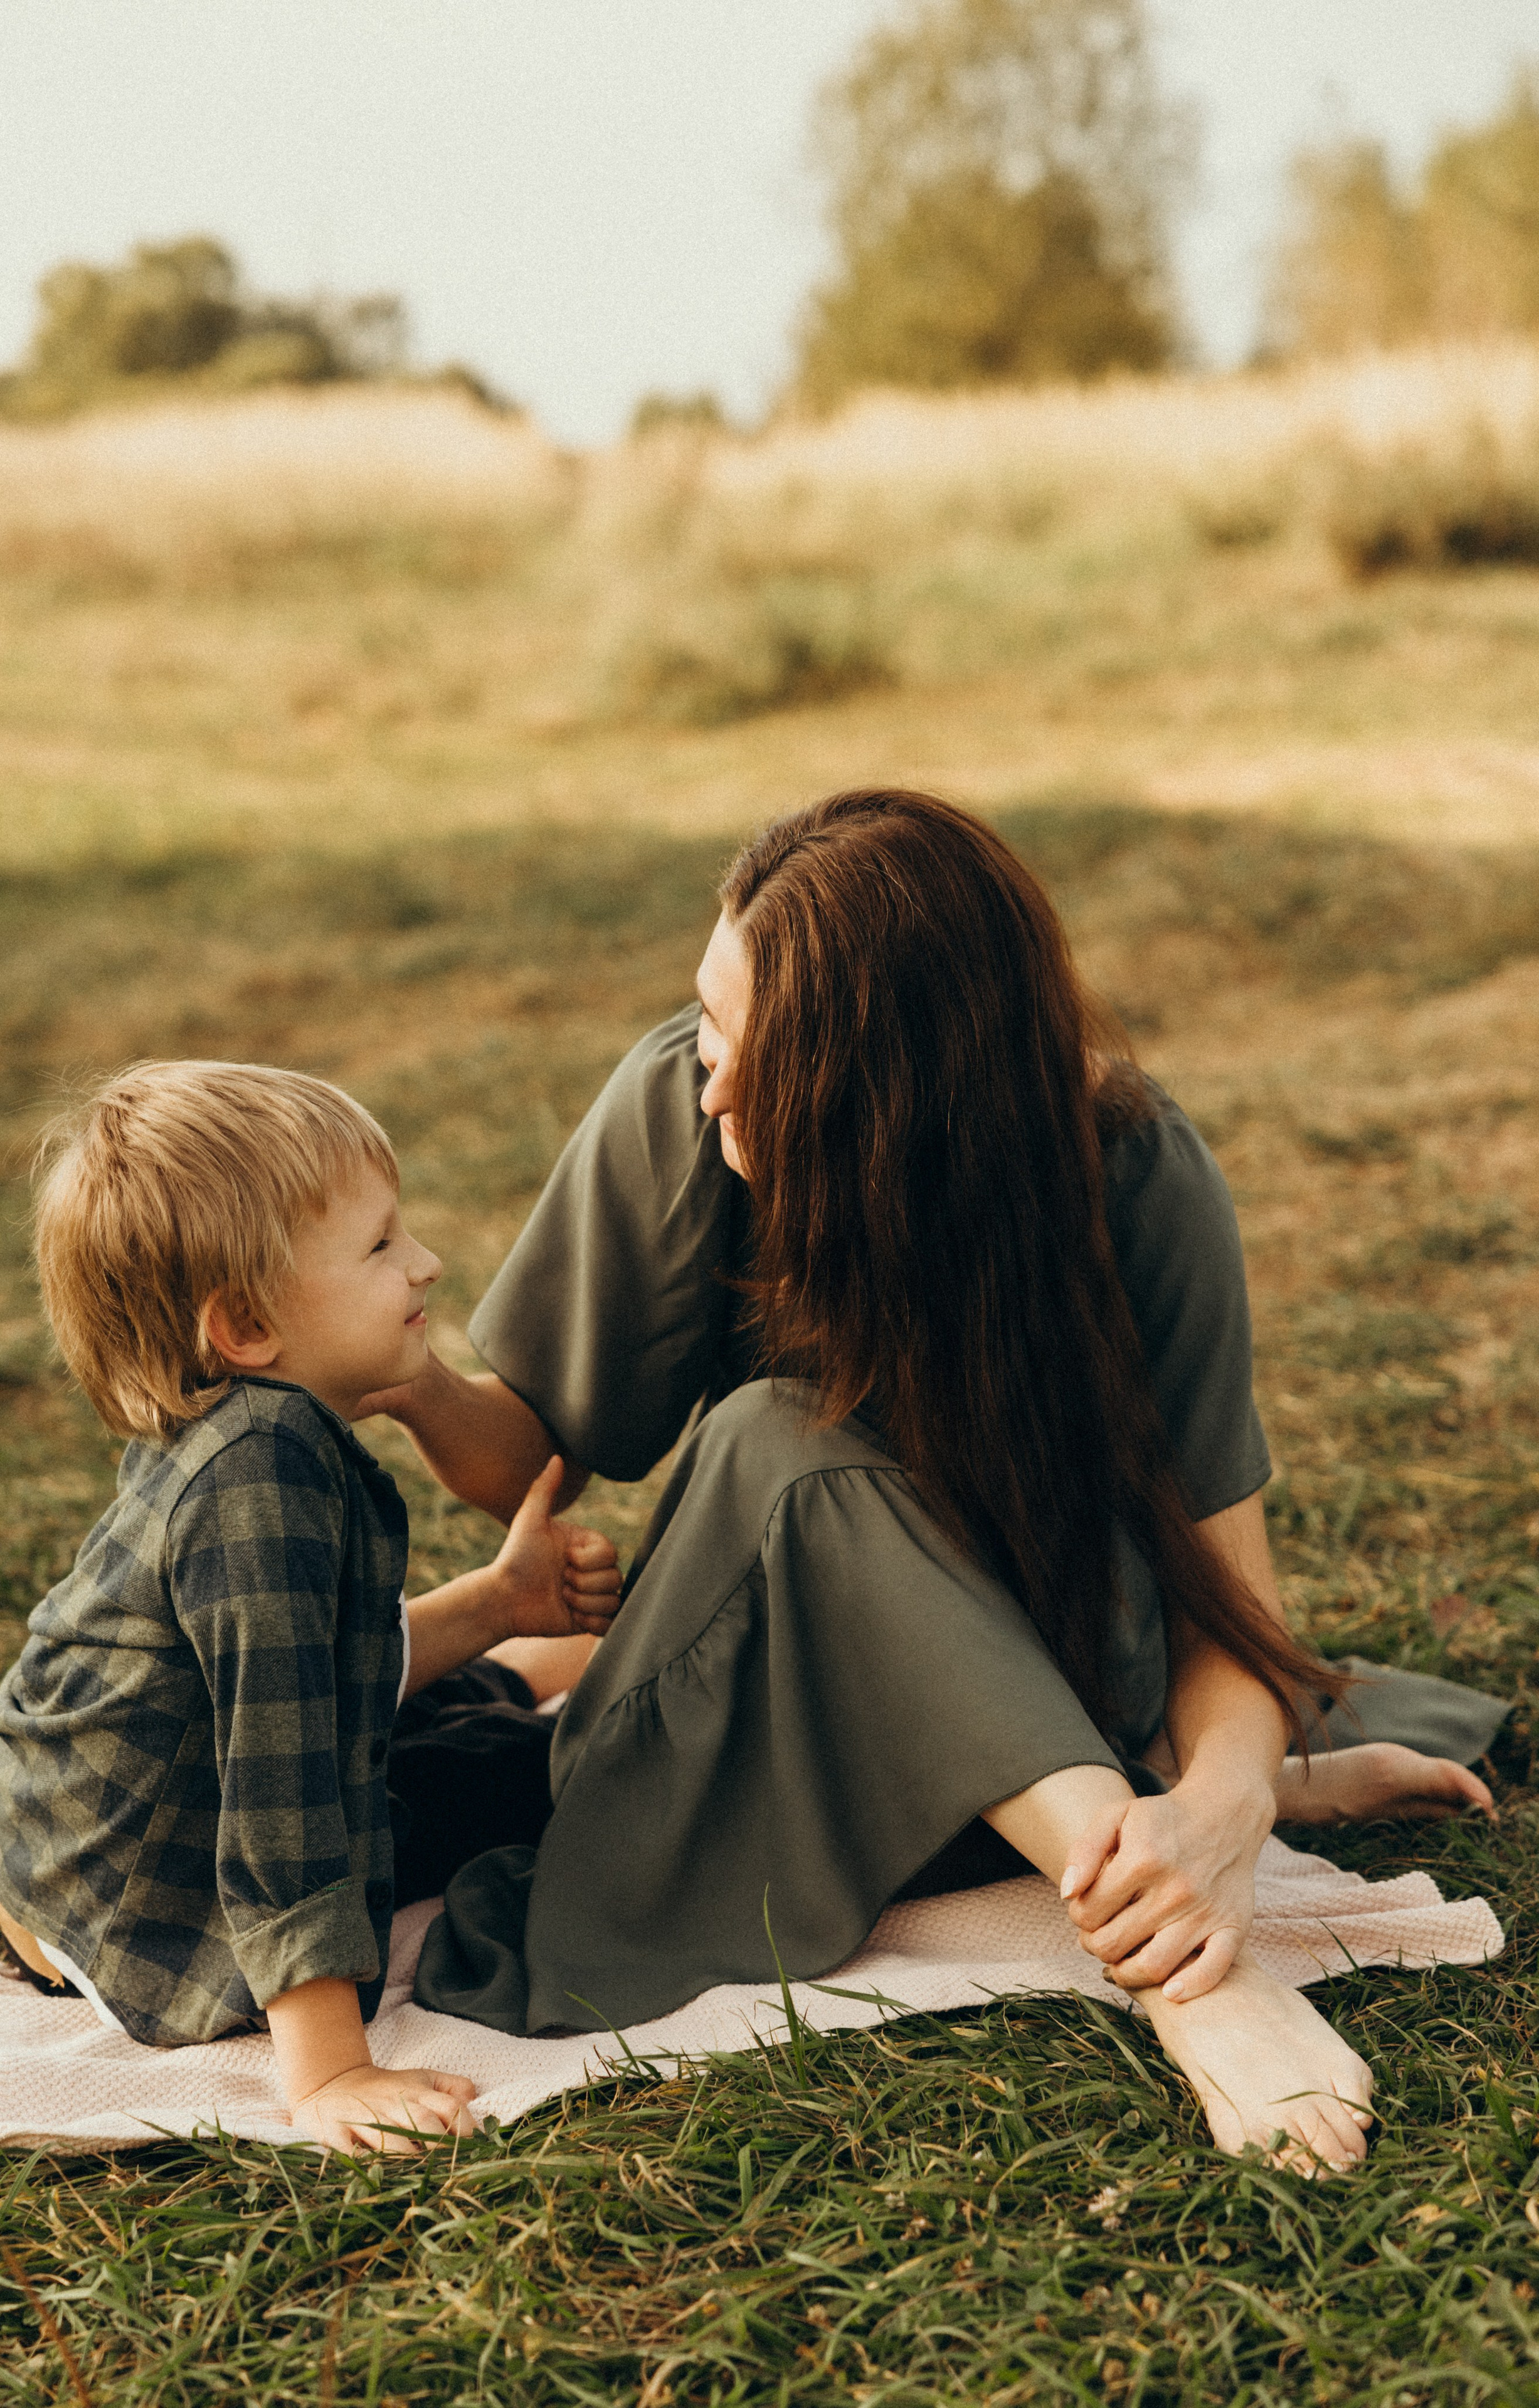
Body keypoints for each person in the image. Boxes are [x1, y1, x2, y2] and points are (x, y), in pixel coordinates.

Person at [370, 789, 1503, 2177]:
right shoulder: (683, 1115)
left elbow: (1222, 1598)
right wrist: (412, 1384)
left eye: (755, 1051)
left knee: (1177, 1703)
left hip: (1049, 1709)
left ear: (900, 1083)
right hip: (766, 1756)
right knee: (779, 1440)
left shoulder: (1131, 1176)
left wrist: (1225, 1807)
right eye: (706, 1019)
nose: (710, 1078)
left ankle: (1143, 1820)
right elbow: (536, 1455)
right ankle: (1193, 1984)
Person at [0, 1060, 620, 2154]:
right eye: (379, 1247)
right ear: (246, 1325)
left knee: (494, 1742)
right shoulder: (256, 1478)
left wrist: (504, 1602)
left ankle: (530, 1678)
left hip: (69, 1844)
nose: (426, 1262)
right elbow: (280, 1783)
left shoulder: (252, 1431)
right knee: (547, 1793)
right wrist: (329, 2073)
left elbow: (310, 1671)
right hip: (141, 1890)